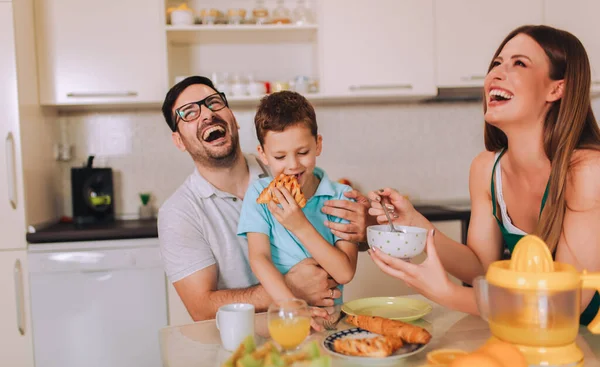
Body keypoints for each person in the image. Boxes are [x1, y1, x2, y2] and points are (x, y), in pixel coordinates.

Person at [367, 25, 600, 325]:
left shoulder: (586, 172)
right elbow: (480, 267)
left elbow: (565, 305)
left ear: (556, 89)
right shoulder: (486, 169)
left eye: (519, 63)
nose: (496, 74)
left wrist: (447, 294)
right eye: (496, 63)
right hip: (537, 338)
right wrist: (415, 225)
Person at [158, 76, 371, 321]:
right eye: (189, 112)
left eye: (213, 103)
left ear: (234, 119)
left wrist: (367, 229)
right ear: (178, 141)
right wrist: (291, 294)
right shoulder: (178, 214)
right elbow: (201, 308)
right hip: (248, 334)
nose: (206, 114)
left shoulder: (289, 169)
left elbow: (350, 251)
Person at [237, 91, 358, 315]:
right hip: (283, 317)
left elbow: (344, 273)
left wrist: (299, 225)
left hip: (329, 318)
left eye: (302, 152)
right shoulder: (259, 194)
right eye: (280, 157)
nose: (292, 165)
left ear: (318, 145)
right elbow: (259, 258)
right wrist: (291, 305)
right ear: (263, 154)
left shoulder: (342, 197)